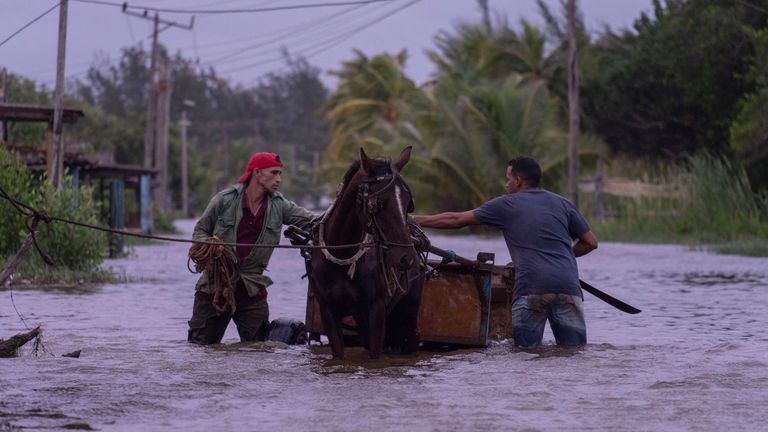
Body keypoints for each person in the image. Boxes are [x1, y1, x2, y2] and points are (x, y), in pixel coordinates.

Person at [412, 156, 598, 347]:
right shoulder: (563, 204)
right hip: (568, 286)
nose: (506, 183)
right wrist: (562, 257)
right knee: (573, 354)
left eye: (508, 178)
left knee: (526, 356)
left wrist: (413, 220)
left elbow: (455, 220)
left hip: (530, 287)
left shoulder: (507, 204)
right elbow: (591, 242)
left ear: (518, 181)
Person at [187, 151, 315, 345]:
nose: (278, 179)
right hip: (214, 289)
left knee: (258, 354)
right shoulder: (224, 200)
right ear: (257, 173)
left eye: (280, 174)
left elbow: (314, 222)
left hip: (252, 292)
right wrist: (211, 245)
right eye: (273, 173)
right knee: (200, 350)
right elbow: (199, 233)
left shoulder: (280, 206)